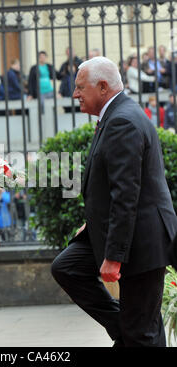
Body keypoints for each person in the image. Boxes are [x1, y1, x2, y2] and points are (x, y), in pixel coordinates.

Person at [51, 56, 177, 347]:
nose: (75, 94)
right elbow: (111, 187)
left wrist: (113, 256)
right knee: (66, 267)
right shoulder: (116, 114)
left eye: (81, 87)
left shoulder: (122, 120)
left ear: (103, 87)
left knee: (141, 335)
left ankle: (132, 328)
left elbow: (126, 194)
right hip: (125, 234)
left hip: (141, 242)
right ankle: (128, 326)